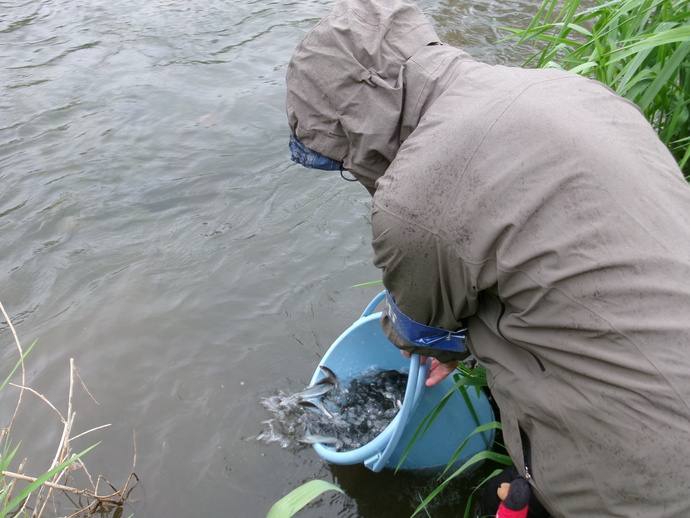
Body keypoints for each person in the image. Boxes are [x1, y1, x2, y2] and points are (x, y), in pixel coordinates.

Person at [285, 0, 690, 516]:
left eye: (342, 155)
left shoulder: (412, 200)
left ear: (357, 124)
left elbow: (419, 334)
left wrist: (431, 339)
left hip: (647, 475)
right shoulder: (570, 88)